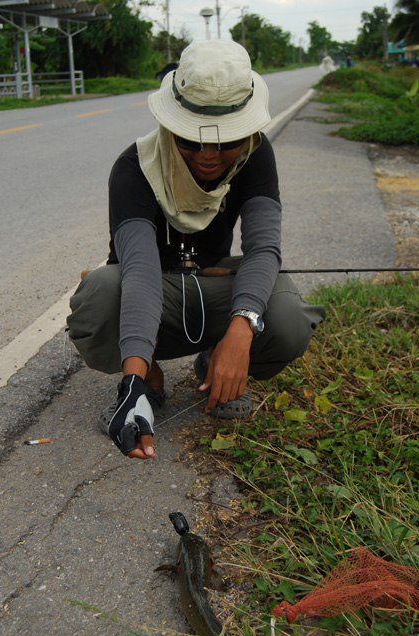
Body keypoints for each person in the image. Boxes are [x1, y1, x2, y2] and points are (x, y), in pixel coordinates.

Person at [67, 39, 325, 460]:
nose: (208, 155)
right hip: (153, 288)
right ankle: (147, 376)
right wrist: (131, 384)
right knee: (99, 292)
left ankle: (214, 360)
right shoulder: (133, 169)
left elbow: (263, 249)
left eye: (226, 142)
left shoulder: (257, 155)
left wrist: (242, 327)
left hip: (215, 284)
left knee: (287, 315)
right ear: (171, 125)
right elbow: (141, 269)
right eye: (191, 140)